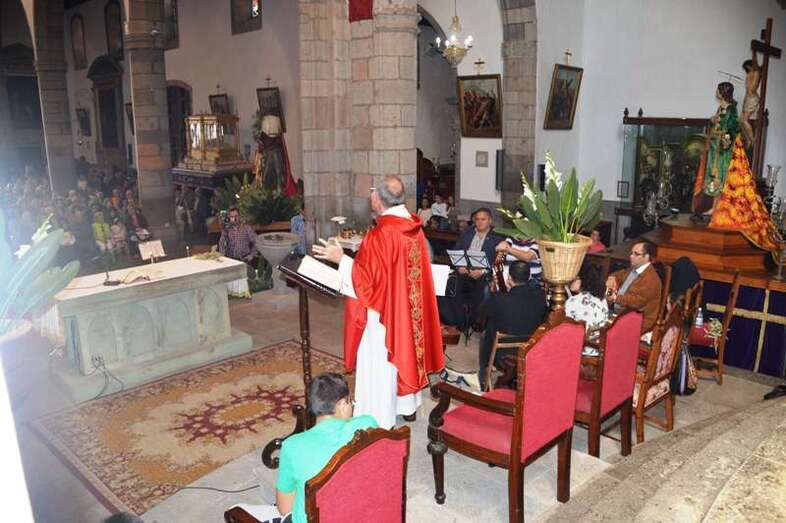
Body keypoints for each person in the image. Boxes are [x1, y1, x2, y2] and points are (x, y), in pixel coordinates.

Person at [313, 175, 444, 429]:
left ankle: (379, 417)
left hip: (383, 313)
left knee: (381, 360)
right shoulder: (414, 227)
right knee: (405, 350)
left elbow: (367, 281)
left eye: (373, 192)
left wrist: (341, 259)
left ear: (377, 201)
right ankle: (406, 407)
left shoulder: (381, 233)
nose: (370, 195)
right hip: (407, 308)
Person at [229, 373, 376, 523]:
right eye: (351, 402)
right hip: (366, 514)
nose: (352, 406)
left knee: (235, 510)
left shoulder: (293, 446)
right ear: (343, 404)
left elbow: (285, 509)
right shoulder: (367, 424)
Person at [478, 261, 546, 390]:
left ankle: (483, 377)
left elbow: (481, 316)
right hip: (529, 348)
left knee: (485, 334)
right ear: (529, 278)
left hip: (503, 353)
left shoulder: (498, 299)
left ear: (509, 278)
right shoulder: (540, 297)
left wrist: (492, 294)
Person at [449, 208, 503, 330]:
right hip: (464, 271)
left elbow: (498, 260)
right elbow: (456, 250)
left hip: (483, 274)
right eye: (477, 219)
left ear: (490, 221)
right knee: (452, 284)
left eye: (483, 219)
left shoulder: (496, 237)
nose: (480, 222)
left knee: (481, 289)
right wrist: (459, 266)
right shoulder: (467, 233)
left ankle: (475, 322)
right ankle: (460, 321)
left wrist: (482, 271)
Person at [605, 241, 662, 333]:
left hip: (637, 322)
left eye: (636, 254)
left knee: (596, 326)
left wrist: (615, 298)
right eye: (631, 253)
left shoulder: (651, 279)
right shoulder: (634, 268)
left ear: (646, 257)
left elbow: (635, 302)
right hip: (620, 313)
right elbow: (619, 275)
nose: (631, 256)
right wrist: (612, 278)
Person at [566, 262, 609, 331]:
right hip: (599, 336)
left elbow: (565, 326)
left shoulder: (573, 301)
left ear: (583, 280)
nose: (569, 281)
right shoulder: (602, 298)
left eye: (574, 278)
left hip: (581, 336)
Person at [741, 53, 761, 146]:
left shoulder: (756, 72)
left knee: (744, 119)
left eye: (747, 66)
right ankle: (748, 139)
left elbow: (755, 63)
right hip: (748, 97)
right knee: (741, 119)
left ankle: (753, 139)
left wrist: (754, 52)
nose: (747, 68)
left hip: (752, 98)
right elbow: (747, 89)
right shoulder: (749, 74)